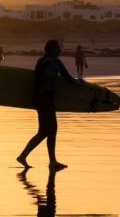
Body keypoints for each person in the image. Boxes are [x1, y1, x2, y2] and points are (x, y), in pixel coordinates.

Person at [17, 40, 82, 170]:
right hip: (46, 100)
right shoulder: (55, 62)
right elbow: (68, 79)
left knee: (48, 131)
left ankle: (49, 161)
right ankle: (27, 157)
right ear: (52, 49)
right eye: (58, 48)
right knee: (46, 131)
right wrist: (80, 83)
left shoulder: (40, 61)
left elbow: (36, 81)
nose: (60, 50)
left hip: (38, 99)